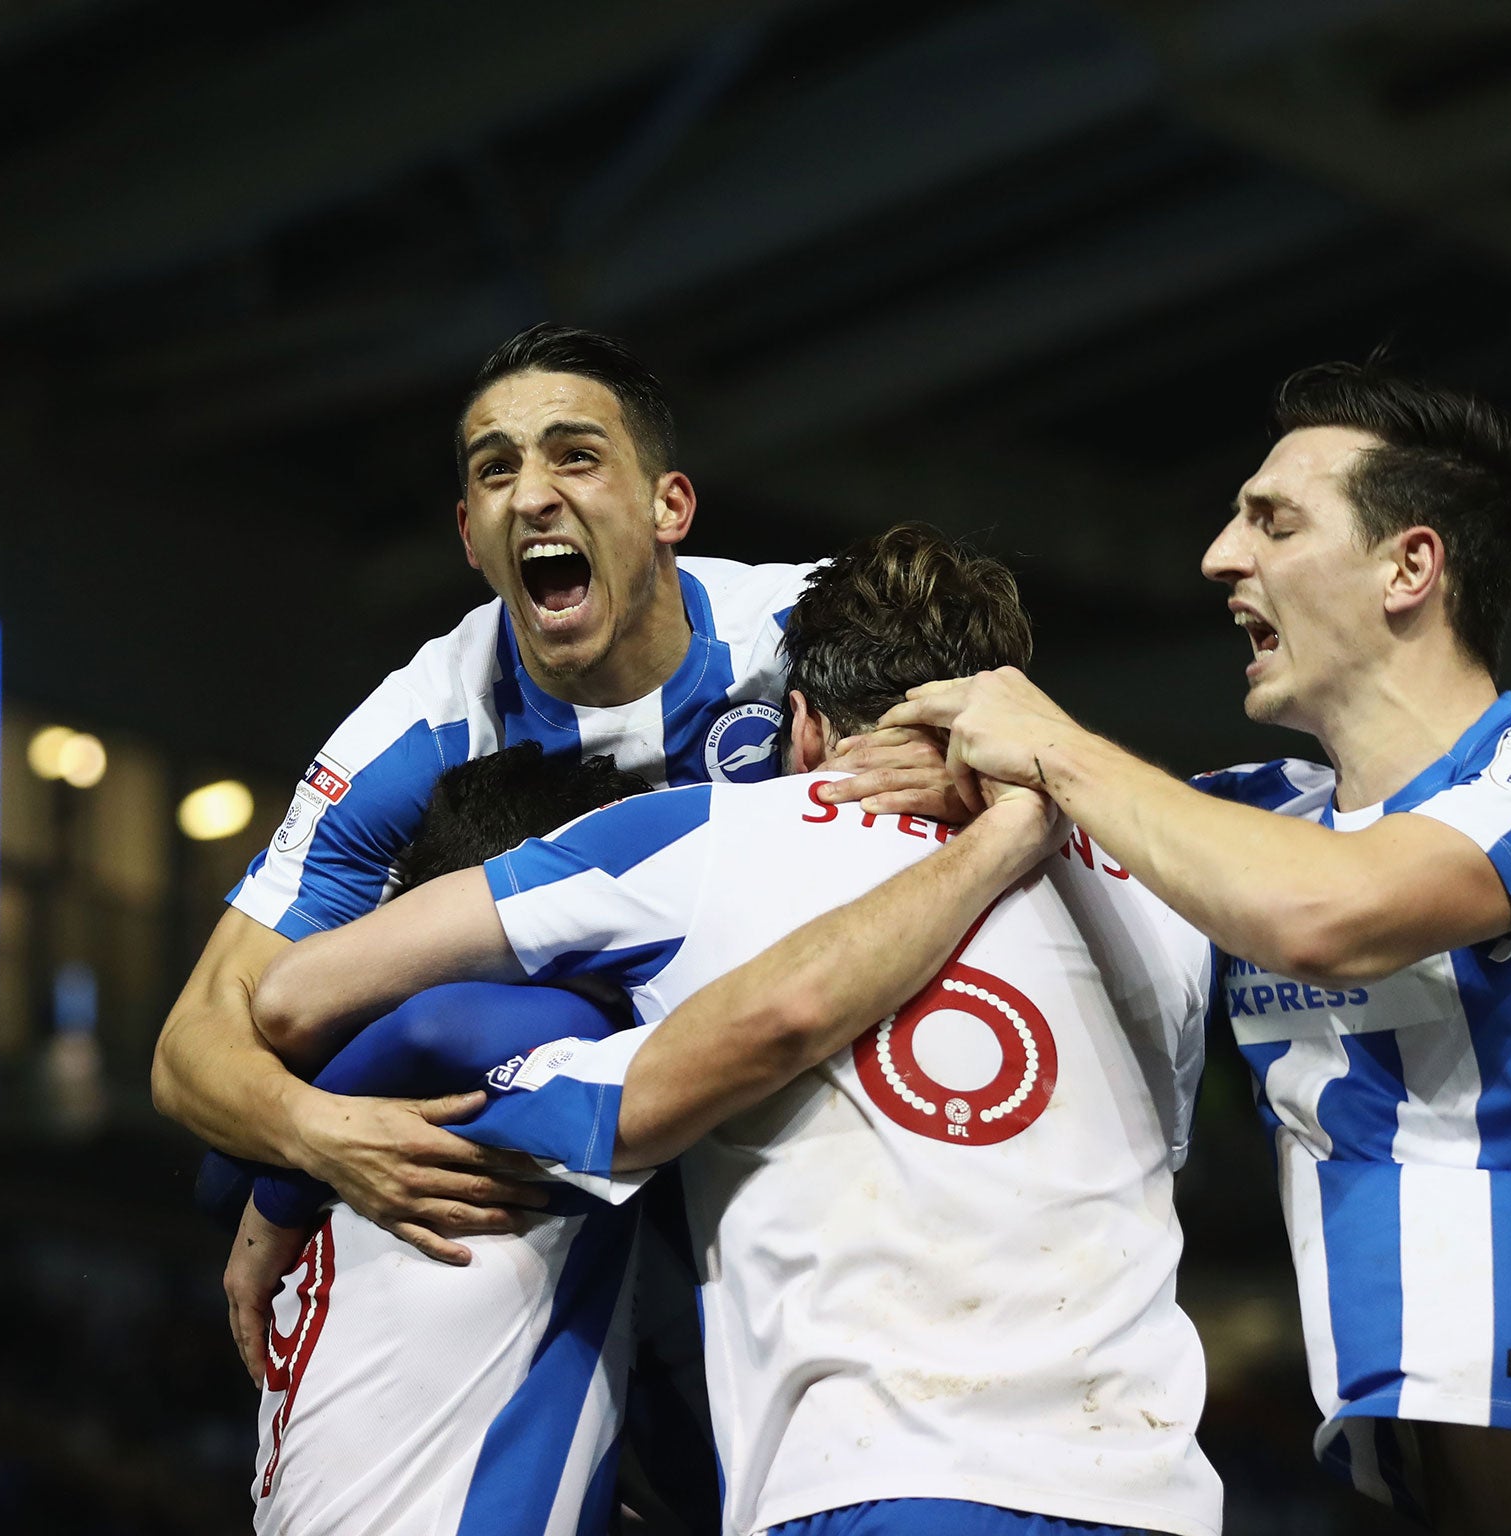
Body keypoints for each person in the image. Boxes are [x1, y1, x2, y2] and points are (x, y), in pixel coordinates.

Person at [820, 361, 1511, 1535]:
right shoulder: (1245, 821)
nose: (1216, 556)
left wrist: (1053, 752)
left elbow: (1329, 916)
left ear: (1409, 566)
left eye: (1271, 520)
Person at [249, 526, 1224, 1536]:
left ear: (800, 726)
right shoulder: (1159, 890)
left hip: (869, 1480)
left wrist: (289, 1164)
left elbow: (302, 994)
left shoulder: (713, 833)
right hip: (1151, 1490)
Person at [153, 321, 857, 1261]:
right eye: (495, 471)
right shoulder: (417, 732)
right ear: (470, 541)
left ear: (668, 506)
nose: (532, 496)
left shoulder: (801, 629)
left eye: (576, 457)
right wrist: (315, 1139)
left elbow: (1009, 716)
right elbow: (194, 1043)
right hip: (564, 1174)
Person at [221, 740, 665, 1536]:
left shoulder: (311, 1125)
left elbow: (216, 1174)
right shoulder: (535, 1075)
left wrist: (275, 1190)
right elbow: (440, 1023)